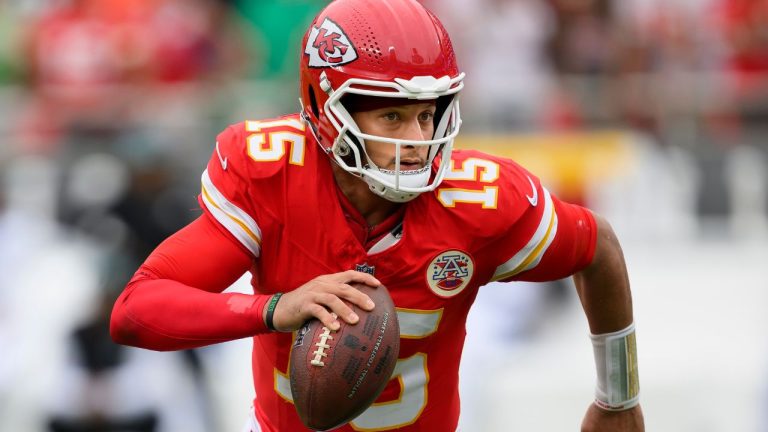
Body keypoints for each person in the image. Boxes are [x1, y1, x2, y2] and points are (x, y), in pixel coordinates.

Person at [110, 0, 645, 430]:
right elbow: (135, 310)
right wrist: (274, 309)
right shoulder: (273, 175)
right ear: (326, 109)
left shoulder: (481, 201)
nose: (417, 141)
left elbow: (597, 248)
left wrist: (617, 399)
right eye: (392, 116)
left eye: (426, 114)